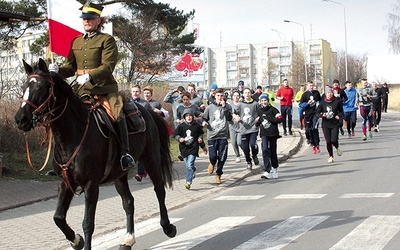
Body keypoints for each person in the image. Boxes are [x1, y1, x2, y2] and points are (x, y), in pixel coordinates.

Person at [48, 2, 135, 171]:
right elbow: (71, 68)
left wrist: (90, 76)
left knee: (117, 112)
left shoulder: (107, 40)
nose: (86, 21)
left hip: (104, 89)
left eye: (90, 18)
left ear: (98, 21)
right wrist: (58, 70)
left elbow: (108, 66)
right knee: (60, 114)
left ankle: (125, 153)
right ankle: (59, 159)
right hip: (81, 91)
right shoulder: (76, 41)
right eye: (84, 18)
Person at [202, 88, 232, 184]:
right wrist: (204, 122)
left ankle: (218, 174)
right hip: (212, 136)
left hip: (223, 136)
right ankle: (212, 163)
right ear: (215, 96)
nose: (220, 97)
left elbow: (229, 118)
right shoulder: (209, 107)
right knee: (213, 156)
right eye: (218, 95)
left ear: (224, 97)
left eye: (222, 96)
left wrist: (224, 108)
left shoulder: (227, 107)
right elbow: (204, 118)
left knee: (222, 157)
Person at [173, 108, 206, 190]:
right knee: (188, 166)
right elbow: (175, 134)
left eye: (190, 116)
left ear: (193, 117)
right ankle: (193, 170)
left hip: (193, 148)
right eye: (187, 116)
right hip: (184, 149)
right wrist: (179, 138)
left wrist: (202, 143)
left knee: (189, 165)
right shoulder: (181, 126)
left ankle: (188, 182)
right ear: (184, 117)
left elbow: (200, 134)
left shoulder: (196, 126)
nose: (188, 117)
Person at [256, 93, 282, 179]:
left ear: (268, 101)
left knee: (272, 152)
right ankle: (267, 170)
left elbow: (280, 119)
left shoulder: (273, 109)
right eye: (262, 101)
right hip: (264, 133)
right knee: (264, 150)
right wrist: (257, 122)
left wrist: (270, 118)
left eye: (265, 100)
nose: (264, 102)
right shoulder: (259, 110)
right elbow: (258, 122)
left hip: (273, 133)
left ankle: (275, 168)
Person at [233, 87, 260, 170]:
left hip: (253, 128)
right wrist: (236, 117)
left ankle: (254, 155)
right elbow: (234, 113)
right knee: (245, 147)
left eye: (249, 92)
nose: (247, 94)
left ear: (251, 94)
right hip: (243, 129)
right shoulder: (240, 104)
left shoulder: (255, 104)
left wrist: (258, 119)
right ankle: (248, 161)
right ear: (243, 94)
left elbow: (260, 113)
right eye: (245, 93)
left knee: (252, 144)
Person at [316, 87, 344, 163]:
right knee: (328, 141)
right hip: (325, 124)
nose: (329, 94)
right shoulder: (322, 103)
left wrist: (339, 116)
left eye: (331, 92)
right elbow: (317, 113)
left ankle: (337, 147)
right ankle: (331, 156)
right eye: (328, 93)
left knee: (334, 140)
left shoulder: (336, 102)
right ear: (325, 94)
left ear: (332, 93)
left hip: (334, 124)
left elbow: (341, 112)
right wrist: (322, 115)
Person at [131, 84, 152, 181]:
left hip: (142, 130)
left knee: (141, 153)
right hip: (131, 131)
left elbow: (150, 118)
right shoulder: (127, 103)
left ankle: (140, 173)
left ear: (140, 93)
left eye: (137, 92)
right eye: (133, 91)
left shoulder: (145, 104)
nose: (135, 93)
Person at [300, 81, 322, 153]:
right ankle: (311, 142)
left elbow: (321, 101)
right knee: (308, 130)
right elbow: (301, 104)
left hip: (315, 114)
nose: (311, 87)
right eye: (310, 86)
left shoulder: (316, 93)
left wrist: (320, 106)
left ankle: (317, 145)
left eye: (312, 85)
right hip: (307, 114)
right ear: (307, 86)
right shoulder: (305, 94)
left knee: (314, 128)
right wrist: (307, 103)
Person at [228, 90, 243, 163]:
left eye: (237, 95)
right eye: (234, 96)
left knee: (239, 142)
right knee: (233, 142)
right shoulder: (229, 105)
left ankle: (245, 150)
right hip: (232, 126)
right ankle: (237, 156)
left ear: (239, 97)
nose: (236, 97)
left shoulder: (241, 104)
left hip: (240, 126)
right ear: (232, 97)